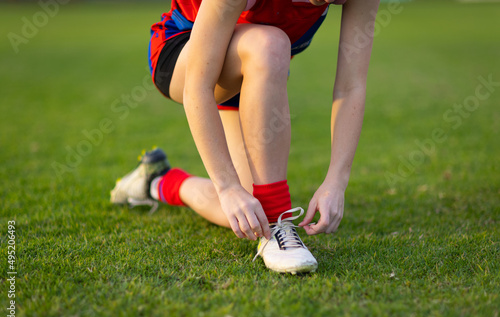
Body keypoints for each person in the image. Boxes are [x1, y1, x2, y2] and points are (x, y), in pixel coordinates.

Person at [111, 0, 380, 274]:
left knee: (251, 212)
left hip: (252, 67)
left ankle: (158, 180)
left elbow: (351, 86)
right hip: (187, 50)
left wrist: (337, 181)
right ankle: (278, 223)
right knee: (271, 44)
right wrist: (227, 186)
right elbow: (197, 86)